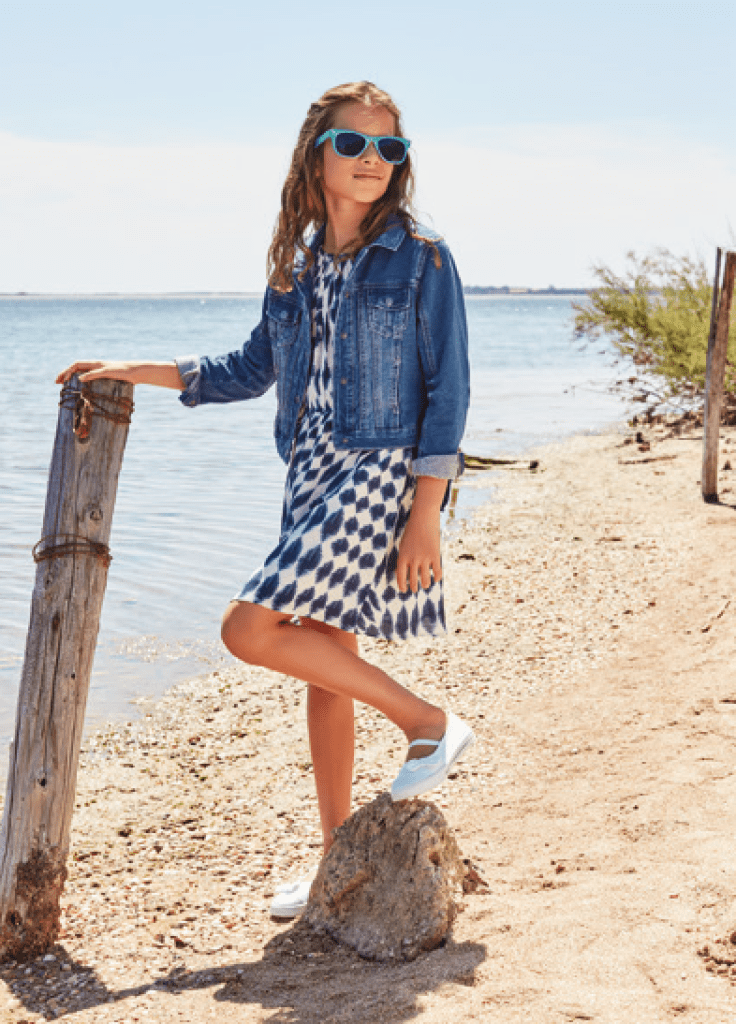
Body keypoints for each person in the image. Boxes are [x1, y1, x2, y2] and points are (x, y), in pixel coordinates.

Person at [57, 81, 474, 920]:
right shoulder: (296, 263)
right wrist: (136, 368)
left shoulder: (421, 256)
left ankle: (428, 720)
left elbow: (449, 388)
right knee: (324, 660)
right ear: (317, 153)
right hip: (311, 469)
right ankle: (336, 862)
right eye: (354, 145)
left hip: (379, 466)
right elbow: (250, 369)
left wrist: (426, 508)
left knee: (248, 630)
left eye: (389, 149)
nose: (372, 162)